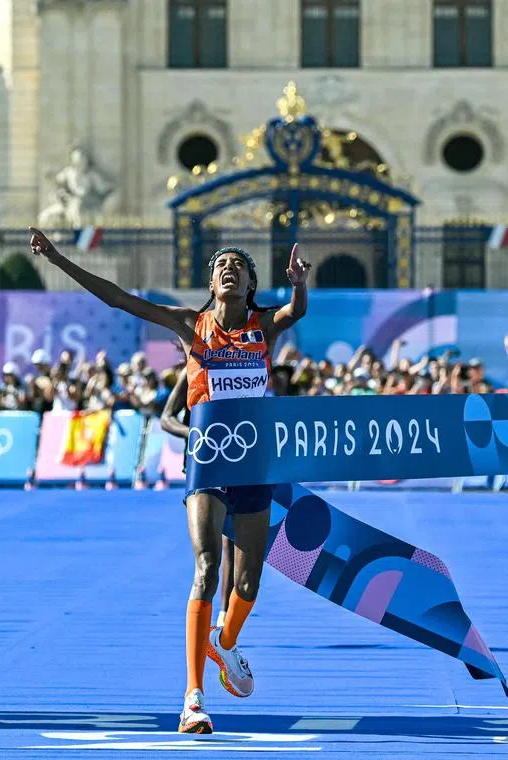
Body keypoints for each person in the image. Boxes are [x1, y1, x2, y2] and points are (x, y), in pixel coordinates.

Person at [29, 226, 310, 735]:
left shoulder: (262, 327)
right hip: (208, 463)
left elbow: (296, 312)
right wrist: (56, 258)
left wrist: (298, 285)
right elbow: (117, 298)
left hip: (253, 465)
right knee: (206, 568)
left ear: (249, 285)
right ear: (211, 281)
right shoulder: (190, 326)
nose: (228, 270)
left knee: (247, 582)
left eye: (239, 267)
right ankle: (193, 697)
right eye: (221, 265)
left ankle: (225, 641)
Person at [159, 372, 236, 631]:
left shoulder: (248, 360)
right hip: (201, 463)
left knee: (233, 543)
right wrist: (195, 432)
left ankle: (225, 614)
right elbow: (166, 419)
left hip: (240, 458)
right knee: (208, 555)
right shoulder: (193, 368)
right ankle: (209, 614)